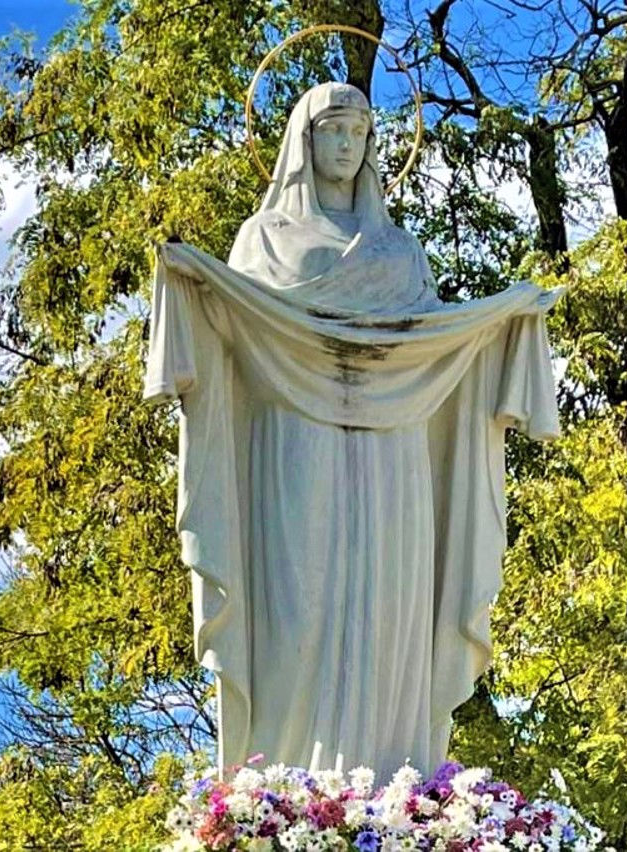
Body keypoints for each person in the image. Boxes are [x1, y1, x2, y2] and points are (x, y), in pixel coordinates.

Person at [145, 81, 563, 777]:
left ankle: (392, 782)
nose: (347, 144)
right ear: (303, 141)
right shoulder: (265, 239)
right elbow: (234, 322)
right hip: (295, 439)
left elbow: (431, 344)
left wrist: (501, 316)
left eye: (360, 131)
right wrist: (194, 280)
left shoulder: (399, 252)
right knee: (298, 608)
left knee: (392, 613)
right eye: (333, 129)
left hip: (397, 448)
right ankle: (285, 787)